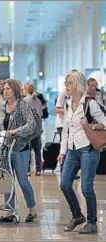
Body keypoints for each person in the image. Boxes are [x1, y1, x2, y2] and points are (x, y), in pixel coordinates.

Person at [57, 71, 106, 234]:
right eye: (66, 83)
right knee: (64, 184)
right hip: (72, 150)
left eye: (69, 82)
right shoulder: (68, 103)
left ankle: (92, 222)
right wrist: (62, 152)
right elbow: (65, 131)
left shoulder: (89, 104)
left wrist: (90, 126)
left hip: (88, 149)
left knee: (86, 188)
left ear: (78, 84)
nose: (66, 86)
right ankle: (77, 215)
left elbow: (104, 123)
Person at [0, 79, 38, 224]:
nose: (5, 91)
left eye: (8, 89)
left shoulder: (22, 105)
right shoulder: (2, 107)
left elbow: (31, 125)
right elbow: (0, 127)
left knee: (23, 181)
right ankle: (8, 212)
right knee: (7, 180)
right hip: (6, 148)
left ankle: (32, 209)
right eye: (4, 89)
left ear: (14, 90)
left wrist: (17, 131)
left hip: (20, 148)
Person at [23, 83, 43, 176]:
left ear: (26, 90)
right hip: (37, 127)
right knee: (37, 149)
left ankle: (27, 170)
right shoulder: (38, 101)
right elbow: (40, 114)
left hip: (28, 127)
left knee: (27, 149)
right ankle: (38, 169)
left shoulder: (24, 101)